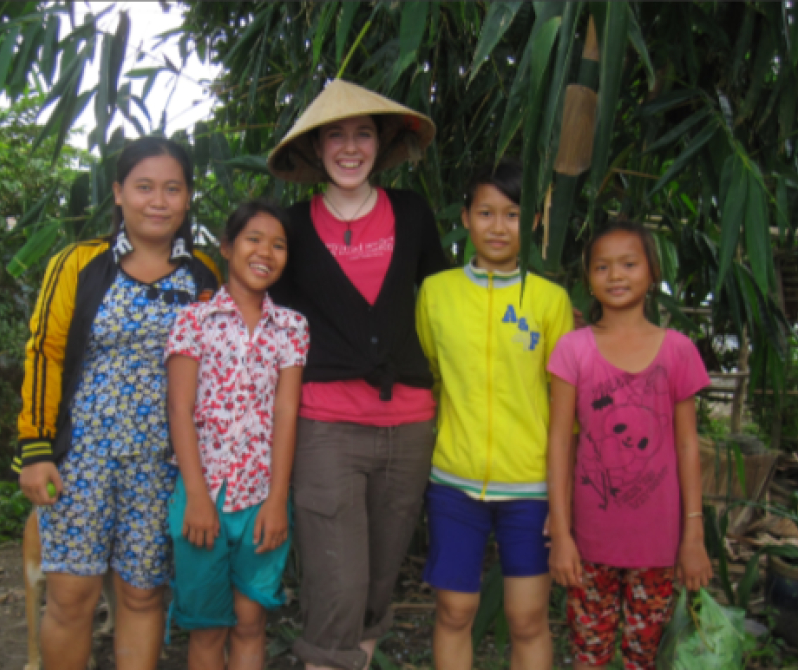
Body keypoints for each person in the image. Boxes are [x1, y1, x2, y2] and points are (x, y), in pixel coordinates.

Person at [14, 137, 219, 670]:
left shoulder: (202, 274)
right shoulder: (79, 264)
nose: (158, 200)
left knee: (142, 594)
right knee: (71, 598)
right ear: (119, 194)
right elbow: (45, 353)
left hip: (160, 464)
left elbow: (218, 370)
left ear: (188, 197)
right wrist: (35, 450)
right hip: (81, 461)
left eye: (172, 188)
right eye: (144, 187)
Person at [266, 79, 449, 670]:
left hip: (409, 424)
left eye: (363, 134)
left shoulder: (413, 215)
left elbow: (447, 302)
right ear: (316, 150)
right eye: (335, 136)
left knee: (375, 585)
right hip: (326, 426)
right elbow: (265, 316)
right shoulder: (289, 227)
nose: (350, 148)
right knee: (338, 581)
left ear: (383, 143)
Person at [415, 159, 573, 670]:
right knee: (454, 610)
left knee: (527, 618)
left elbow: (564, 406)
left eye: (510, 214)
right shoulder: (436, 294)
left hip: (530, 488)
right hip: (453, 483)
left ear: (529, 222)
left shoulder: (550, 301)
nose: (498, 227)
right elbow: (432, 376)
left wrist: (560, 498)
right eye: (486, 212)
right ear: (466, 217)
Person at [546, 219, 713, 670]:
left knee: (645, 657)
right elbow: (559, 444)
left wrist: (693, 537)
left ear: (653, 272)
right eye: (602, 266)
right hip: (589, 544)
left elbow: (687, 448)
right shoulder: (572, 349)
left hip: (657, 545)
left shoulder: (677, 350)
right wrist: (561, 535)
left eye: (629, 264)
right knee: (589, 655)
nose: (616, 275)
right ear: (588, 279)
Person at [165, 201, 309, 670]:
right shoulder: (193, 321)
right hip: (201, 492)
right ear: (227, 247)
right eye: (253, 239)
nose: (265, 251)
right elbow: (180, 410)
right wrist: (197, 497)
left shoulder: (291, 327)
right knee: (207, 629)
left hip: (261, 496)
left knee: (250, 621)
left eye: (279, 244)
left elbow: (287, 412)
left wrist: (277, 498)